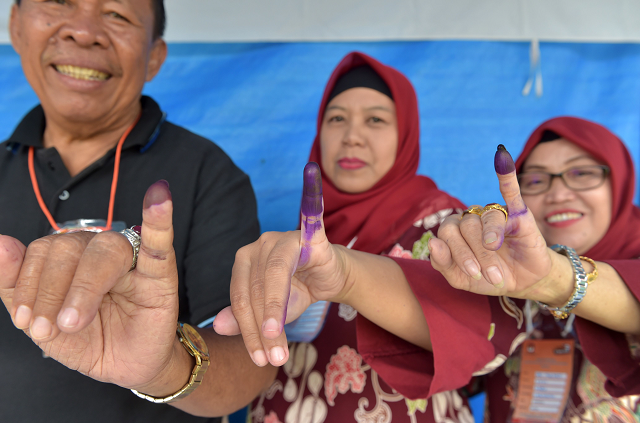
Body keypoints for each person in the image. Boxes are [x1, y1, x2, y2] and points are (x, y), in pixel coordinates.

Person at [216, 117, 640, 421]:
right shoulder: (304, 238)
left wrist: (554, 278)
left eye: (583, 174)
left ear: (619, 180)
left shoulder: (436, 225)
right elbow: (470, 345)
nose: (560, 192)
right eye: (537, 180)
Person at [0, 1, 277, 422]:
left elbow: (253, 358)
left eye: (117, 14)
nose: (83, 31)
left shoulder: (206, 174)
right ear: (16, 26)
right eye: (59, 2)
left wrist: (164, 367)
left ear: (154, 57)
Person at [219, 51, 476, 422]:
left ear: (405, 134)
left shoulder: (443, 228)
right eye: (337, 118)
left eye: (375, 120)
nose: (352, 137)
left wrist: (348, 277)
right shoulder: (294, 242)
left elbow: (476, 335)